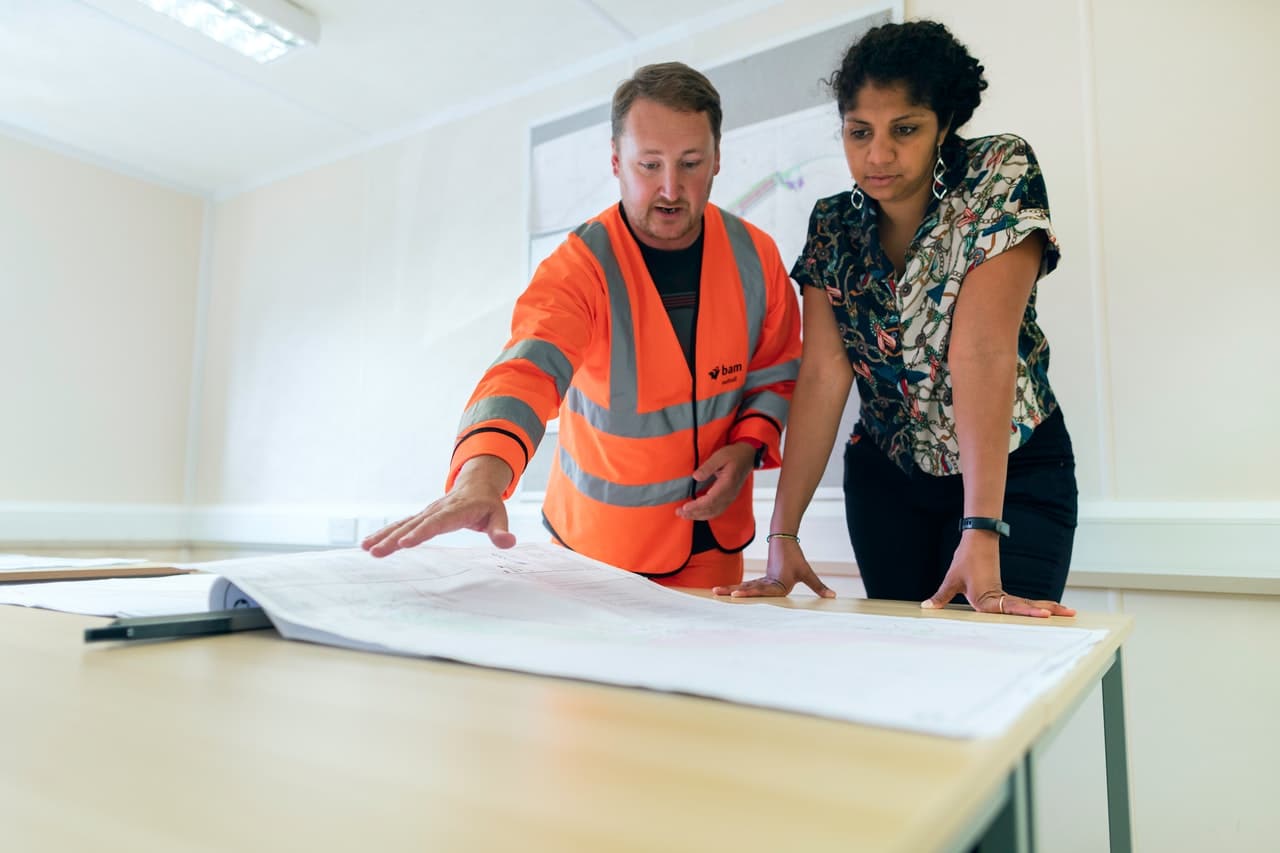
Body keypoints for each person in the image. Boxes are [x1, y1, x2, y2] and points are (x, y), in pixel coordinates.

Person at [362, 62, 802, 589]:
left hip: (714, 545)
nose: (670, 188)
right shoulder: (578, 267)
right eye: (648, 165)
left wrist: (748, 444)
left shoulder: (757, 257)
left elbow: (774, 373)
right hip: (598, 554)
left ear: (717, 161)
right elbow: (526, 371)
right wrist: (480, 477)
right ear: (616, 162)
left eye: (690, 163)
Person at [714, 21, 1078, 618]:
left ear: (944, 125)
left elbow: (981, 351)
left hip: (1011, 476)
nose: (878, 155)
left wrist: (981, 527)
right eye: (859, 132)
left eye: (904, 130)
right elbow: (825, 376)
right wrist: (783, 537)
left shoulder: (997, 173)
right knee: (906, 681)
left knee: (991, 670)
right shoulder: (833, 224)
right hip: (887, 485)